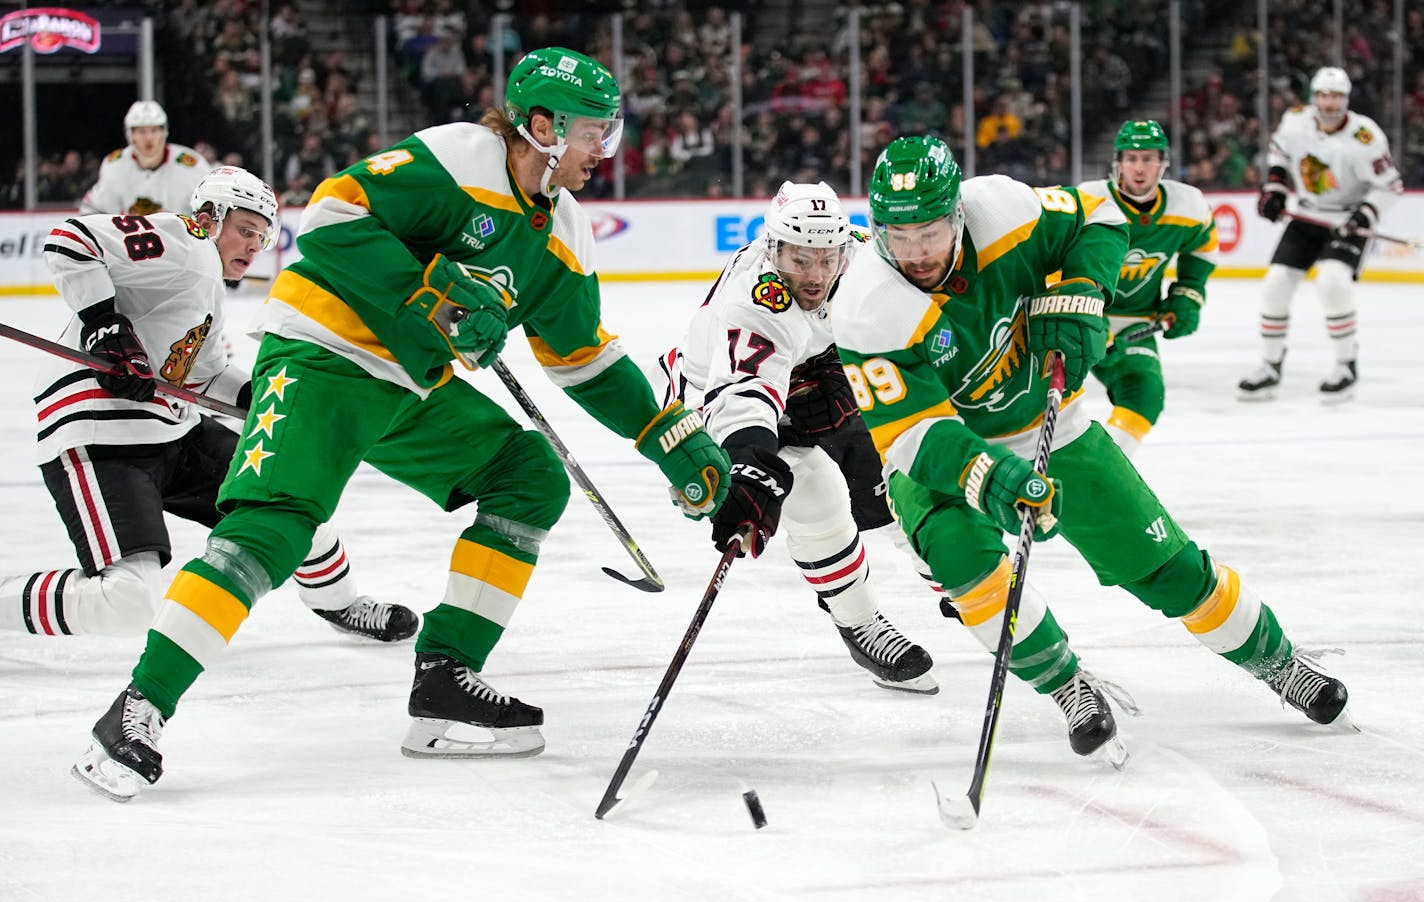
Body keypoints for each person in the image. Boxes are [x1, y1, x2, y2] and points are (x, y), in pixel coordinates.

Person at [72, 47, 731, 801]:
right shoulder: (462, 158)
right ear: (543, 127)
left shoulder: (564, 232)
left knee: (529, 474)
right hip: (323, 353)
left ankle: (446, 677)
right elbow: (331, 217)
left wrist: (669, 437)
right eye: (593, 133)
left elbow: (583, 356)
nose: (604, 151)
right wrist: (435, 296)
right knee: (272, 530)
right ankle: (134, 710)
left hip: (409, 386)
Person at [830, 135, 1351, 763]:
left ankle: (1279, 662)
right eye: (898, 235)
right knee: (969, 569)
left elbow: (1100, 216)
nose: (914, 253)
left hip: (1055, 426)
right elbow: (913, 433)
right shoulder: (864, 306)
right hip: (941, 458)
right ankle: (1067, 685)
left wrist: (1082, 289)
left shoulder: (1005, 210)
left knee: (1168, 569)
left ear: (958, 215)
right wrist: (993, 480)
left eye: (931, 232)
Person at [0, 166, 417, 644]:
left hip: (174, 433)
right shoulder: (187, 240)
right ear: (210, 217)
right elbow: (71, 239)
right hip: (103, 434)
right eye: (245, 230)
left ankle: (340, 602)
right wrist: (105, 327)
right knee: (126, 602)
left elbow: (205, 374)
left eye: (262, 237)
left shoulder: (204, 288)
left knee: (289, 501)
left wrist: (271, 400)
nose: (254, 246)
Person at [659, 180, 938, 695]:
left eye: (826, 259)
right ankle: (858, 621)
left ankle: (956, 575)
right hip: (713, 393)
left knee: (896, 466)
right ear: (774, 250)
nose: (815, 276)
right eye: (799, 260)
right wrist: (748, 463)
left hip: (811, 371)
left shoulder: (862, 259)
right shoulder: (755, 299)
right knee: (813, 490)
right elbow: (744, 393)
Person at [1239, 66, 1404, 401]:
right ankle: (1271, 364)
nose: (1329, 104)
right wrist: (1275, 188)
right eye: (1323, 96)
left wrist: (1365, 213)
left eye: (1336, 96)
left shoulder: (1365, 137)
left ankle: (1346, 363)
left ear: (1346, 99)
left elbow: (1391, 186)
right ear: (1314, 97)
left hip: (1349, 218)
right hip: (1307, 213)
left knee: (1332, 282)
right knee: (1275, 285)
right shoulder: (1295, 120)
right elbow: (1279, 154)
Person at [1078, 120, 1218, 456]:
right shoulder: (1088, 200)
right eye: (1132, 158)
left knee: (1145, 394)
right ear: (1118, 163)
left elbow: (1202, 250)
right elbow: (1051, 261)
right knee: (1031, 402)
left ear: (1163, 163)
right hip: (1076, 316)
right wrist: (1082, 317)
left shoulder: (1188, 206)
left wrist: (1187, 296)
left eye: (1149, 159)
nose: (1140, 168)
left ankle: (1105, 473)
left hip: (1136, 321)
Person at [79, 100, 213, 216]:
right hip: (126, 244)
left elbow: (212, 208)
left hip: (180, 244)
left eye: (154, 130)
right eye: (142, 131)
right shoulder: (115, 165)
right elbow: (90, 211)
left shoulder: (191, 166)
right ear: (131, 135)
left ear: (163, 132)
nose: (148, 138)